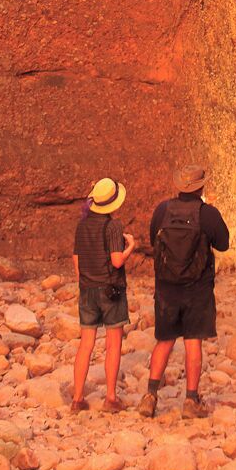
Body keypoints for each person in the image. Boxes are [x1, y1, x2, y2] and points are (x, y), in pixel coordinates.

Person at [137, 164, 229, 418]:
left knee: (164, 340)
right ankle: (190, 400)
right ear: (201, 186)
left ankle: (150, 396)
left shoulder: (162, 210)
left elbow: (153, 238)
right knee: (192, 342)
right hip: (197, 288)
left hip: (167, 287)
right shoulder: (207, 213)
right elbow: (223, 243)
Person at [71, 177, 135, 413]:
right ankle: (110, 397)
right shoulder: (114, 226)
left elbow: (76, 260)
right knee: (113, 343)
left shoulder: (82, 225)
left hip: (87, 290)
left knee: (85, 344)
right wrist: (131, 246)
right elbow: (117, 261)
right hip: (111, 290)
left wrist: (87, 280)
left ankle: (77, 398)